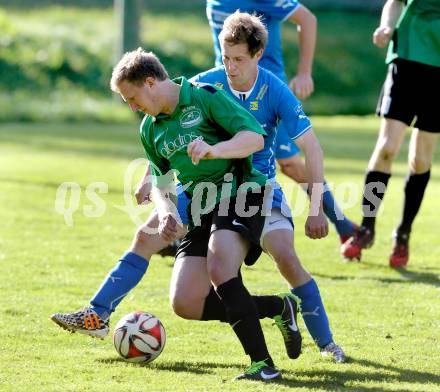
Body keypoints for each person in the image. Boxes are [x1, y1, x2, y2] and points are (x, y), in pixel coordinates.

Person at [52, 47, 303, 381]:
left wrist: (215, 150)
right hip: (200, 204)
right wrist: (168, 210)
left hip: (242, 193)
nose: (132, 106)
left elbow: (254, 138)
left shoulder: (205, 98)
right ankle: (278, 307)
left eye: (132, 97)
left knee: (220, 266)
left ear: (151, 82)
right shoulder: (149, 128)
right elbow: (161, 178)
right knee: (186, 302)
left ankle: (263, 365)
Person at [170, 10, 345, 364]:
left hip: (261, 192)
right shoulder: (205, 83)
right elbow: (165, 119)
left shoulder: (274, 89)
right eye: (225, 57)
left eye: (238, 59)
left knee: (286, 256)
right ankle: (275, 312)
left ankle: (326, 344)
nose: (230, 67)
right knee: (178, 264)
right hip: (212, 196)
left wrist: (315, 210)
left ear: (257, 54)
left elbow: (312, 148)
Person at [206, 0, 357, 249]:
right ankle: (188, 232)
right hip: (224, 95)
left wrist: (305, 72)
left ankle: (344, 227)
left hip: (264, 92)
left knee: (290, 164)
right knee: (215, 160)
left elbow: (307, 19)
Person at [341, 0, 440, 267]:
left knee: (420, 159)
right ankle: (367, 227)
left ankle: (403, 233)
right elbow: (395, 2)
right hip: (407, 59)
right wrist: (386, 27)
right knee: (387, 148)